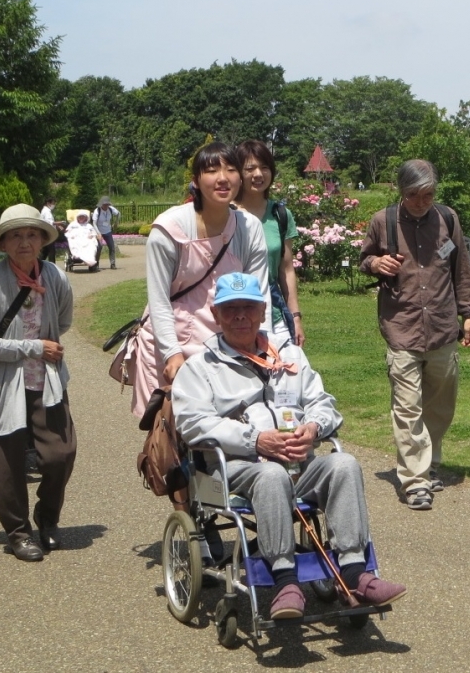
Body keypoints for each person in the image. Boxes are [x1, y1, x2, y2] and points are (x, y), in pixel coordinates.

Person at [172, 272, 408, 620]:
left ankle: (355, 572)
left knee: (344, 464)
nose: (240, 316)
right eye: (231, 309)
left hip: (300, 464)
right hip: (237, 469)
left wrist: (313, 428)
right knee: (270, 474)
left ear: (262, 311)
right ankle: (285, 580)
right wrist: (255, 440)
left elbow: (323, 403)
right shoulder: (199, 367)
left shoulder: (290, 354)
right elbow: (192, 423)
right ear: (216, 314)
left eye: (248, 307)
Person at [358, 159, 470, 511]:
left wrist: (469, 314)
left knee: (439, 406)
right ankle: (415, 481)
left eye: (428, 195)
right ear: (401, 191)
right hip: (402, 326)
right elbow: (364, 259)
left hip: (442, 327)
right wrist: (375, 264)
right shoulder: (383, 221)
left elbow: (461, 268)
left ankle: (431, 463)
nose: (421, 202)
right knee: (408, 407)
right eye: (413, 195)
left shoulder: (447, 219)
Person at [130, 142, 270, 420]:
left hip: (227, 340)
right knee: (167, 431)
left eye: (231, 170)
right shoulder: (169, 229)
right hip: (170, 341)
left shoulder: (249, 227)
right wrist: (171, 354)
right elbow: (158, 299)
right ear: (195, 180)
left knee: (229, 426)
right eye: (211, 170)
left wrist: (265, 345)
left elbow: (259, 293)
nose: (222, 178)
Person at [0, 203, 76, 562]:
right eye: (15, 236)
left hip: (47, 379)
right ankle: (18, 533)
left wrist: (43, 347)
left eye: (32, 234)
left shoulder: (54, 276)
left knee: (61, 454)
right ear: (3, 243)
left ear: (42, 240)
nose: (24, 242)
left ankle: (47, 518)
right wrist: (34, 347)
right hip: (3, 384)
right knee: (7, 464)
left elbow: (64, 320)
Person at [235, 140, 305, 346]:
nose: (258, 174)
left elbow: (286, 269)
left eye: (264, 167)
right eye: (250, 168)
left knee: (286, 364)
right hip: (233, 313)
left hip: (273, 312)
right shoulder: (225, 214)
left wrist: (295, 317)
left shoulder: (280, 214)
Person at [92, 196, 120, 270]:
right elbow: (94, 223)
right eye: (104, 204)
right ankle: (96, 264)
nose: (106, 206)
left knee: (112, 247)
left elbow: (118, 213)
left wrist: (116, 222)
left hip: (108, 231)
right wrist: (98, 233)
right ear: (101, 204)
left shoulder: (111, 209)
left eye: (107, 204)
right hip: (99, 231)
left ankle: (113, 263)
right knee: (99, 247)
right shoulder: (97, 211)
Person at [39, 197, 61, 263]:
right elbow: (49, 222)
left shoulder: (46, 211)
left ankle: (39, 263)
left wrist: (58, 226)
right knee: (51, 251)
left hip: (47, 232)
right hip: (48, 232)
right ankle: (52, 264)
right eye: (53, 203)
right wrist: (60, 223)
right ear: (48, 203)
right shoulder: (46, 211)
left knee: (45, 251)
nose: (54, 205)